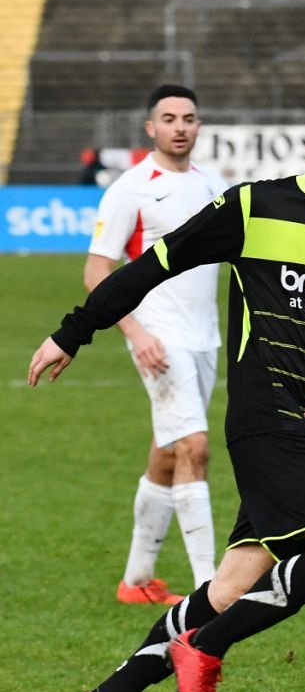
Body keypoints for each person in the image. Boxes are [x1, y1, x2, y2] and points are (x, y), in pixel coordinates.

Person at [30, 82, 305, 692]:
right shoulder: (253, 207)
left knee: (229, 587)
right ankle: (205, 649)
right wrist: (73, 332)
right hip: (265, 418)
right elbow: (149, 269)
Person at [86, 85, 227, 605]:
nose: (179, 127)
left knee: (169, 452)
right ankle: (212, 590)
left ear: (198, 126)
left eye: (188, 118)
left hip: (205, 337)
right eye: (168, 118)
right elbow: (96, 272)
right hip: (159, 338)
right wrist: (137, 333)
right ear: (151, 128)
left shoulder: (213, 186)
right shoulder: (131, 189)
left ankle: (137, 580)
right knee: (195, 447)